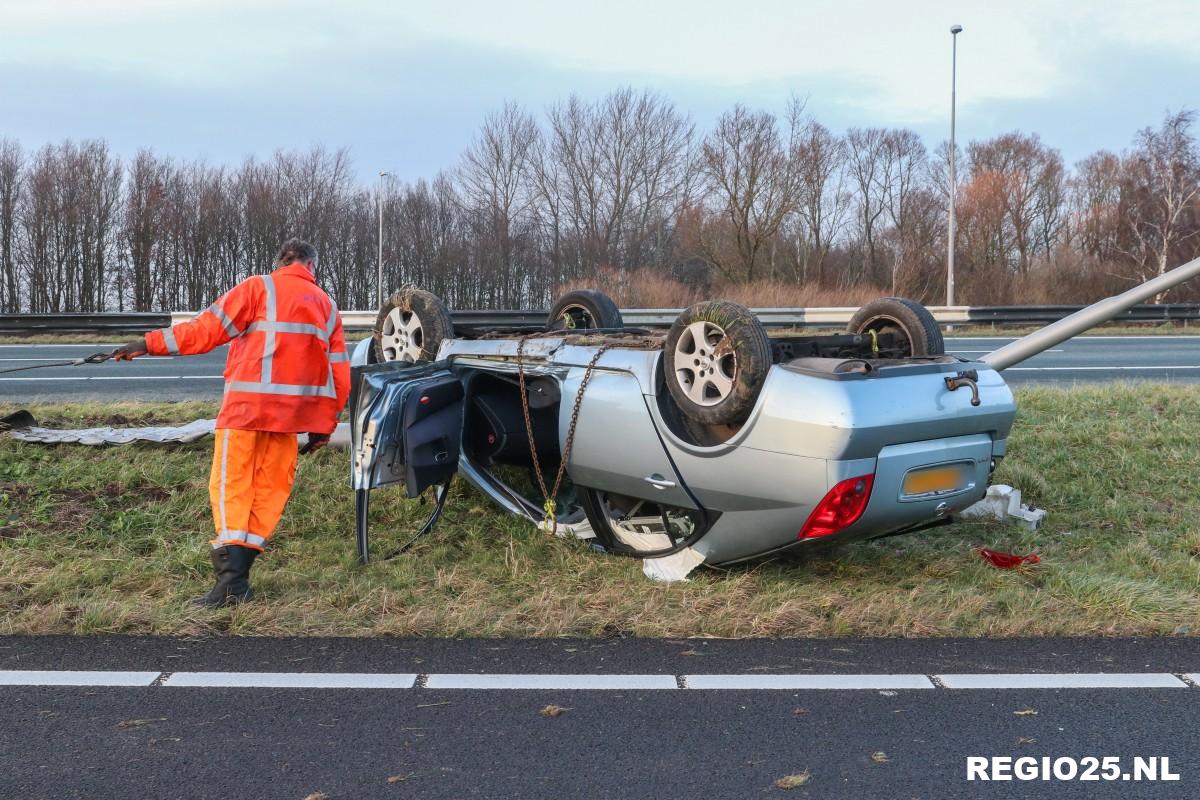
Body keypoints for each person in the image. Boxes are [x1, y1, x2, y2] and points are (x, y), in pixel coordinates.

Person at [112, 238, 350, 606]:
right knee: (268, 494)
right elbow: (339, 375)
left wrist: (147, 344)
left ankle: (232, 584)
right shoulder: (328, 307)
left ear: (280, 261)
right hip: (290, 422)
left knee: (232, 489)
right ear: (312, 266)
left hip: (245, 413)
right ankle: (237, 581)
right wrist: (325, 424)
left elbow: (204, 331)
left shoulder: (258, 288)